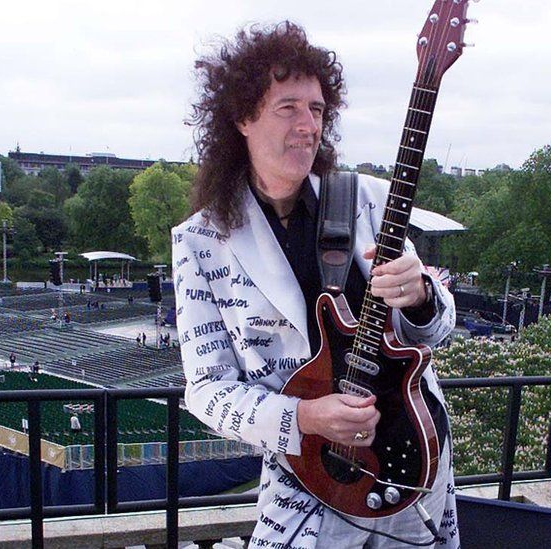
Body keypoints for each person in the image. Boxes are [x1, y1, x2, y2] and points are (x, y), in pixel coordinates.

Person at [174, 22, 458, 549]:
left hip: (413, 464)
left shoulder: (369, 201)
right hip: (305, 476)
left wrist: (419, 296)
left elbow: (436, 331)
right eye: (288, 108)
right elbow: (206, 390)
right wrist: (304, 417)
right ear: (241, 117)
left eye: (318, 110)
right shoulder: (201, 242)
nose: (309, 126)